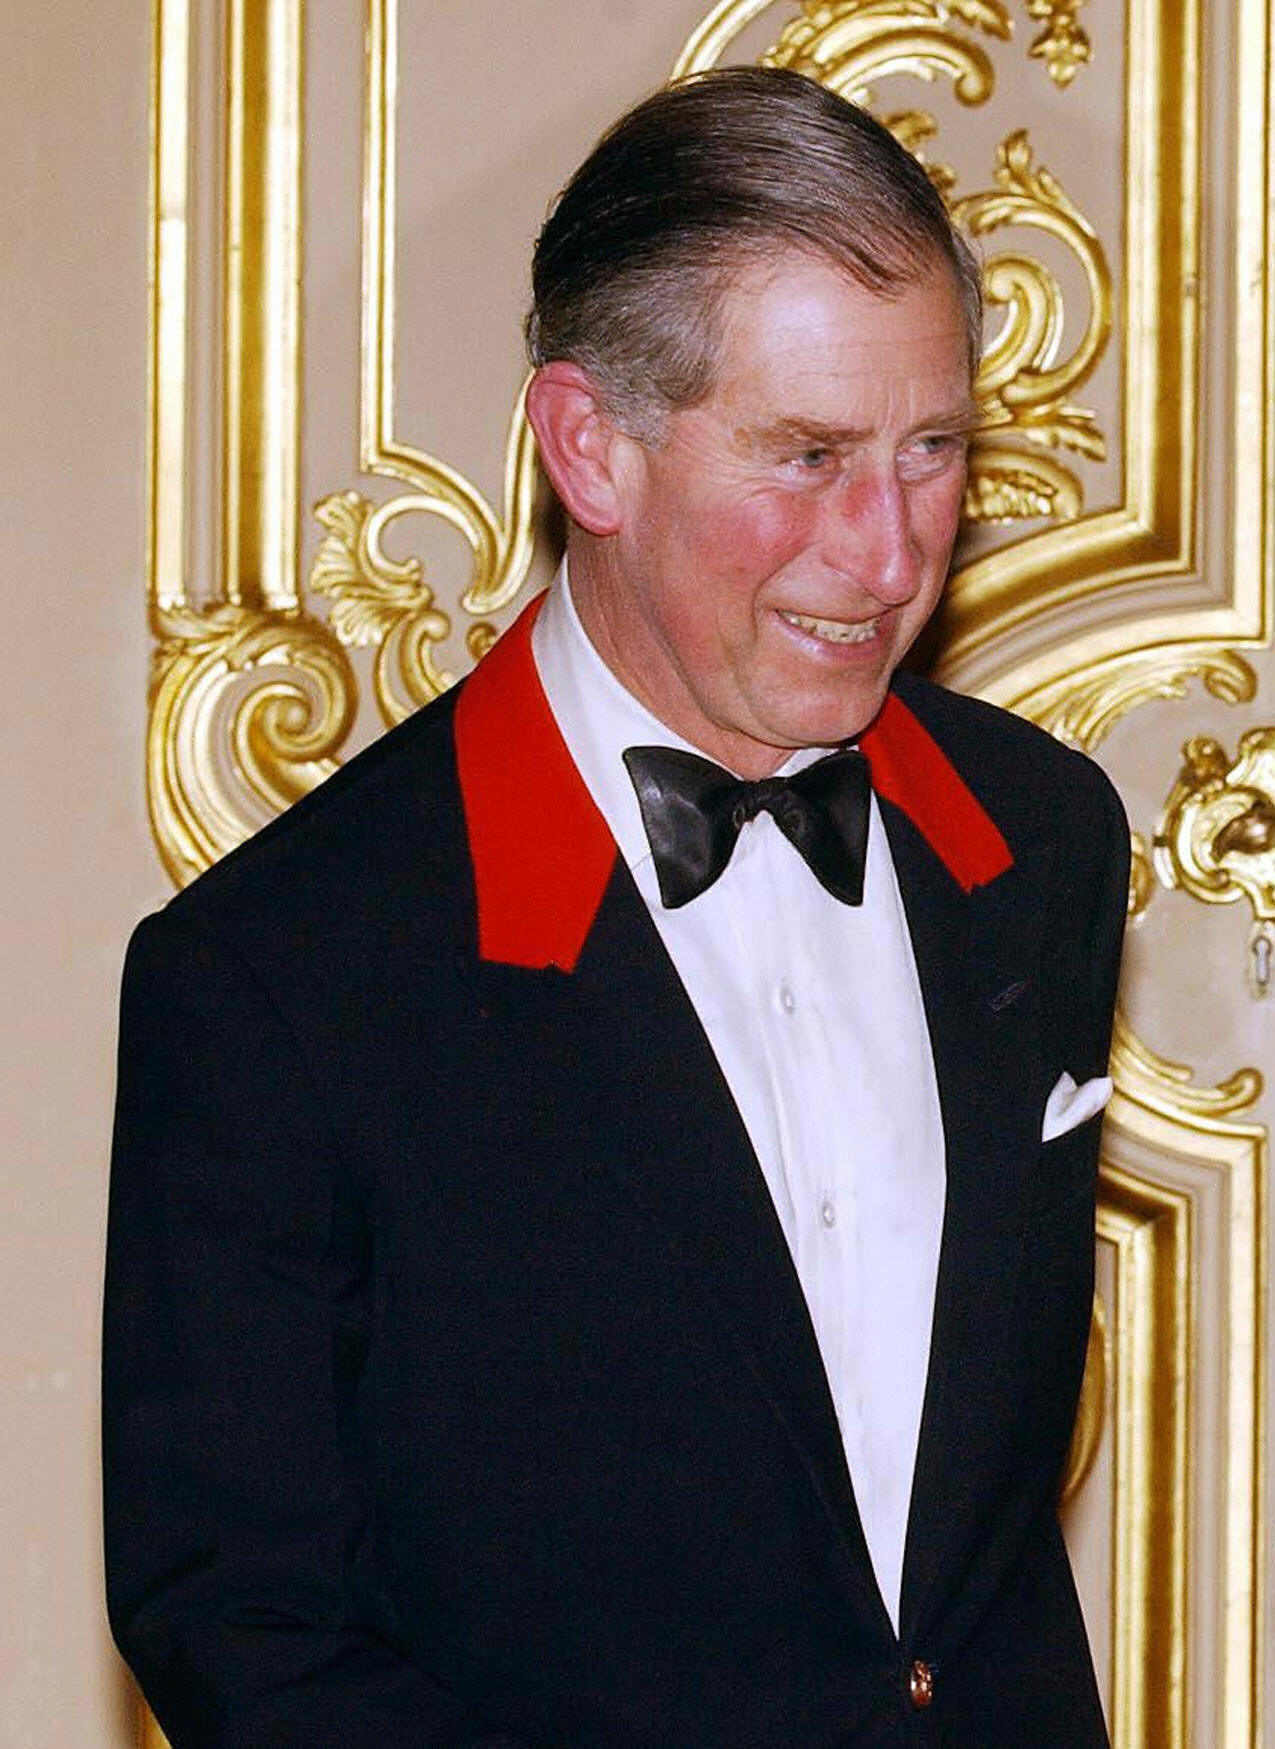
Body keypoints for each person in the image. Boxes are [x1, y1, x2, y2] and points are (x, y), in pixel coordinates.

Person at [104, 67, 1125, 1746]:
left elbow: (963, 1534)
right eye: (807, 458)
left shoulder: (1040, 842)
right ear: (591, 444)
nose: (889, 553)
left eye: (933, 451)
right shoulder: (281, 973)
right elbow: (245, 1622)